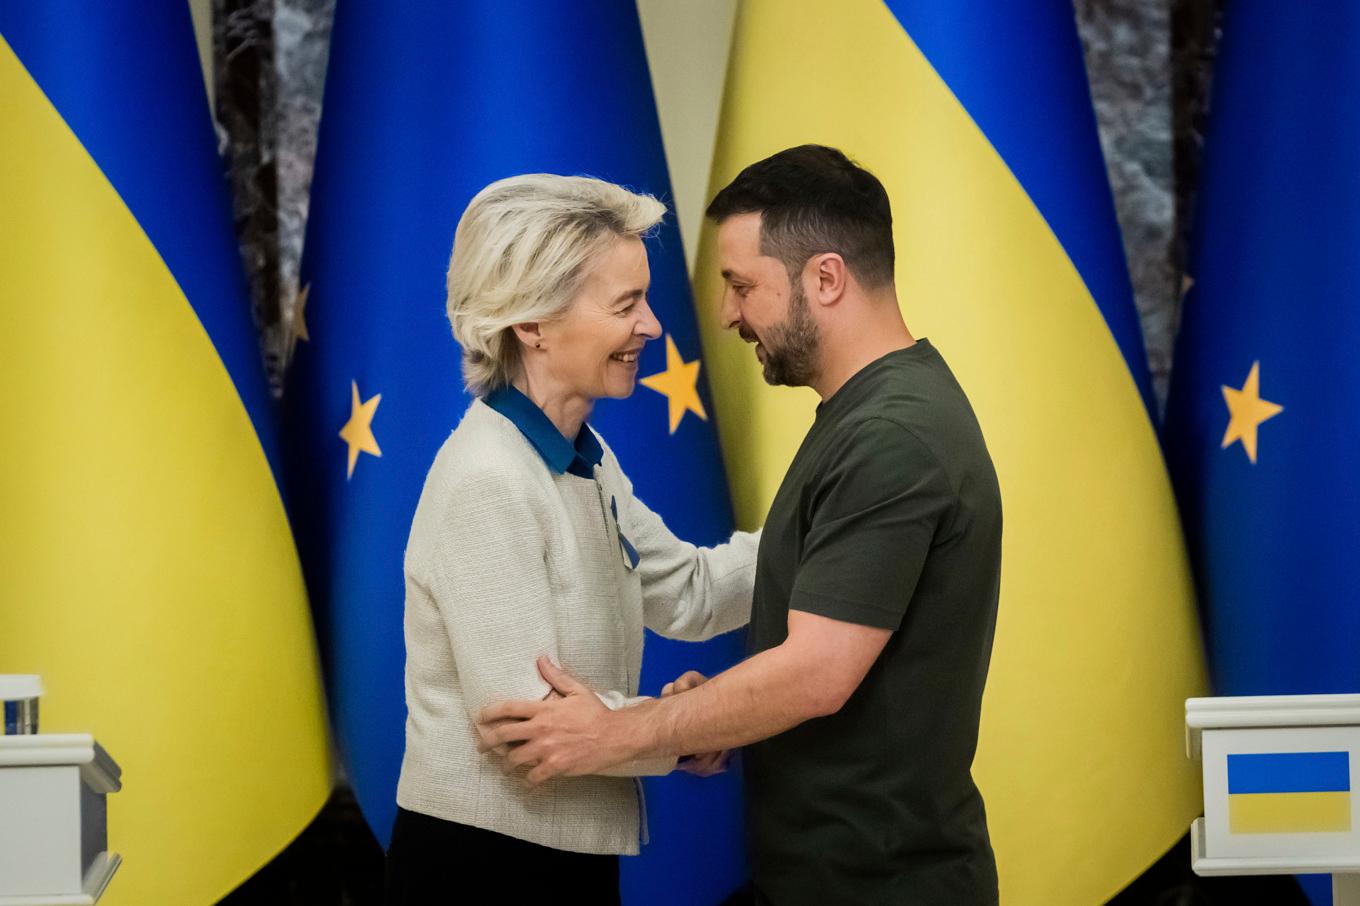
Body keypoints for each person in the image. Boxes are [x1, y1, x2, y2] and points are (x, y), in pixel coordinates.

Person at [478, 145, 1003, 905]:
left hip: (878, 884)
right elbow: (823, 636)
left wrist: (620, 733)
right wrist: (711, 712)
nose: (725, 313)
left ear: (825, 278)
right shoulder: (869, 415)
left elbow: (816, 673)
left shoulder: (890, 437)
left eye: (741, 285)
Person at [387, 173, 758, 905]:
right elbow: (533, 730)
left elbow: (691, 592)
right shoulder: (488, 477)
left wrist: (826, 528)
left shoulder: (584, 459)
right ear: (532, 323)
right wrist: (682, 727)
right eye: (626, 304)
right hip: (484, 869)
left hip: (557, 855)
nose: (652, 326)